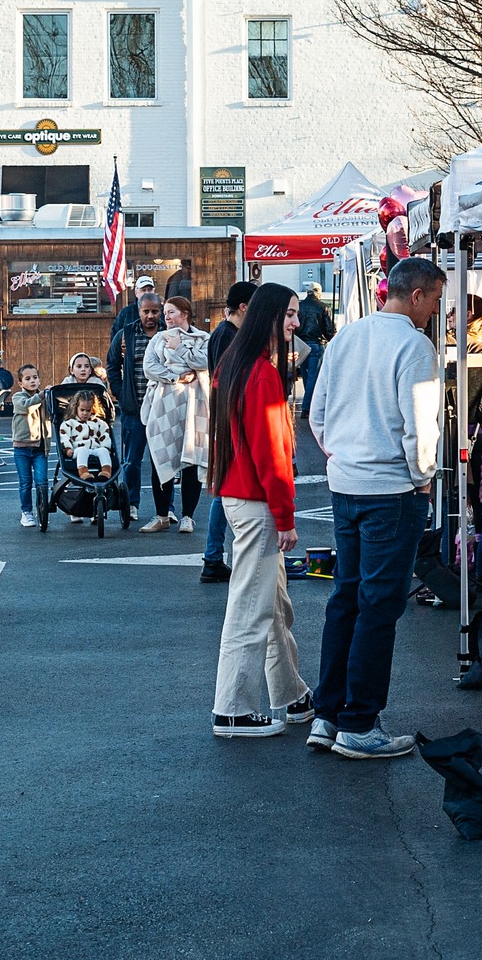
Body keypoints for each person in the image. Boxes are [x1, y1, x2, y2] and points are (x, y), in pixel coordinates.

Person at [306, 256, 447, 759]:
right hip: (391, 489)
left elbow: (316, 413)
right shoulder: (414, 344)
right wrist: (422, 479)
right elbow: (421, 426)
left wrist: (342, 455)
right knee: (378, 604)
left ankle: (329, 714)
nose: (435, 310)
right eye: (434, 300)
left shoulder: (346, 337)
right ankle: (359, 723)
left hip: (346, 484)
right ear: (417, 296)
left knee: (347, 596)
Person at [208, 282, 313, 738]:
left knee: (270, 603)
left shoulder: (234, 364)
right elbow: (272, 452)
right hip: (255, 501)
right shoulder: (262, 373)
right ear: (269, 317)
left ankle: (290, 694)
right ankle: (232, 708)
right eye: (289, 315)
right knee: (253, 606)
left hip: (240, 496)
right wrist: (285, 518)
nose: (295, 323)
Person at [199, 280, 257, 583]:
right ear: (244, 307)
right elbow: (228, 381)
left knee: (225, 488)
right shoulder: (226, 335)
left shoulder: (227, 333)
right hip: (230, 420)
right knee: (225, 489)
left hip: (227, 419)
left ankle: (213, 557)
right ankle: (212, 557)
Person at [140, 295, 209, 533]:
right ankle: (161, 515)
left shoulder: (202, 338)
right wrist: (176, 376)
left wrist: (179, 349)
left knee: (191, 458)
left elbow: (206, 361)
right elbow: (150, 367)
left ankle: (187, 516)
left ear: (185, 314)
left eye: (171, 312)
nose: (166, 317)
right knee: (161, 456)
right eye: (165, 313)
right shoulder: (158, 340)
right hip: (164, 406)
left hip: (194, 406)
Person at [105, 293, 161, 516]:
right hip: (134, 409)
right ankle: (131, 504)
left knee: (163, 463)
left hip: (162, 409)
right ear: (138, 311)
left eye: (154, 311)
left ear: (160, 310)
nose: (150, 316)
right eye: (145, 311)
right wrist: (120, 393)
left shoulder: (168, 334)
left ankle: (166, 509)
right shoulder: (125, 334)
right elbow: (111, 365)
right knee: (132, 462)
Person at [9, 364, 48, 527]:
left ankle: (43, 510)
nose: (32, 381)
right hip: (22, 448)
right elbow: (26, 406)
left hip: (40, 448)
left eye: (35, 377)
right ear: (20, 383)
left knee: (42, 481)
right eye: (27, 378)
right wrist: (41, 396)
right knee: (25, 482)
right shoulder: (18, 397)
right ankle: (27, 512)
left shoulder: (44, 398)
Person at [296, 281, 335, 412]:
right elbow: (329, 330)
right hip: (317, 344)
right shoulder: (323, 307)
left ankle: (309, 403)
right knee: (314, 375)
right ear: (318, 292)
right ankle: (307, 407)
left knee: (306, 375)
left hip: (301, 345)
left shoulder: (299, 307)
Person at [58, 392, 114, 479]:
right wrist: (68, 448)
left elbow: (104, 435)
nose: (85, 413)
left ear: (93, 409)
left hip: (95, 449)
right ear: (76, 408)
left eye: (88, 410)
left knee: (103, 451)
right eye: (82, 410)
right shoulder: (69, 423)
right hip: (78, 450)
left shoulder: (98, 423)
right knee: (82, 450)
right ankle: (83, 473)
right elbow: (64, 436)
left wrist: (106, 447)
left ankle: (106, 471)